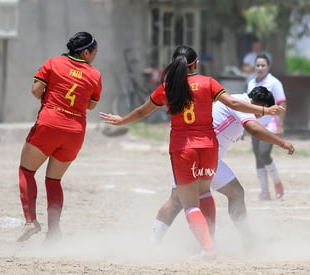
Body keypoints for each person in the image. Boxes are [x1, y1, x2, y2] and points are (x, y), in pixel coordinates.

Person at [100, 45, 284, 260]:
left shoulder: (167, 87)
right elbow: (234, 102)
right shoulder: (208, 82)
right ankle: (207, 243)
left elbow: (143, 111)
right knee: (205, 194)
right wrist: (264, 110)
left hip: (183, 149)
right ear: (195, 63)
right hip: (208, 148)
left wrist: (122, 120)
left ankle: (207, 249)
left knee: (187, 202)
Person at [150, 86, 295, 248]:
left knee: (236, 193)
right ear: (259, 103)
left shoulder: (242, 104)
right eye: (262, 111)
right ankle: (153, 243)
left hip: (210, 158)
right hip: (193, 154)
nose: (260, 116)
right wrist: (281, 142)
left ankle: (246, 240)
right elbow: (253, 129)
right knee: (177, 200)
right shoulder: (243, 104)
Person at [17, 32, 102, 242]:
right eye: (94, 52)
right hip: (75, 132)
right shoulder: (95, 75)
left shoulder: (53, 63)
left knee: (26, 171)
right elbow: (91, 105)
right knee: (54, 181)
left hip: (50, 123)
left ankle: (30, 221)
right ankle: (53, 232)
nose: (95, 57)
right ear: (85, 52)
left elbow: (36, 91)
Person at [246, 54, 287, 200]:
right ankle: (264, 191)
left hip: (270, 124)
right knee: (257, 157)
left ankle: (277, 183)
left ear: (268, 67)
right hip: (255, 124)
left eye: (263, 65)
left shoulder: (274, 83)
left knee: (264, 154)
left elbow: (282, 104)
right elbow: (247, 106)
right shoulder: (251, 83)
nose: (260, 68)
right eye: (257, 65)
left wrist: (280, 125)